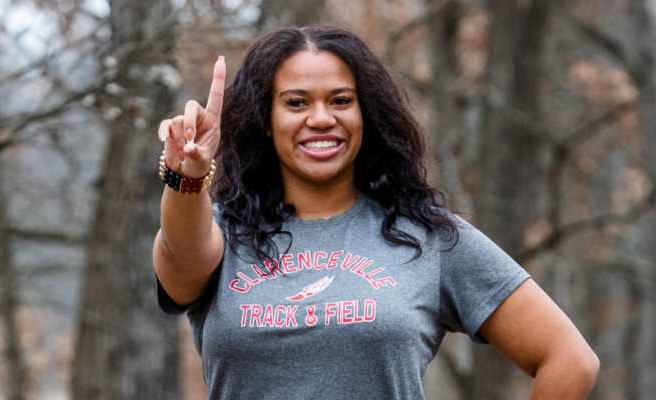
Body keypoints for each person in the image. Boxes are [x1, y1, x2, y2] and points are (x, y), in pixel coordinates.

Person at [153, 26, 599, 400]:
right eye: (296, 102)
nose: (322, 118)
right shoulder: (224, 233)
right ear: (265, 121)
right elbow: (182, 258)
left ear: (367, 115)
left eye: (341, 100)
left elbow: (570, 360)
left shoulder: (426, 236)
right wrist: (188, 174)